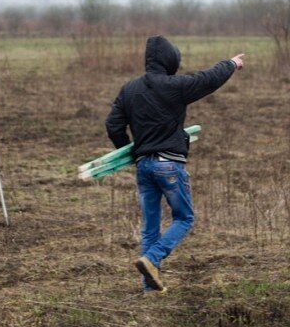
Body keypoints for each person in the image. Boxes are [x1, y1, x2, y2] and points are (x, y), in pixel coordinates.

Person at [105, 35, 244, 292]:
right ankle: (152, 258)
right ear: (171, 60)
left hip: (144, 166)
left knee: (150, 228)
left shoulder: (129, 89)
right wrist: (231, 64)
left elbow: (113, 125)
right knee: (184, 218)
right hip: (169, 164)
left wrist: (131, 152)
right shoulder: (174, 86)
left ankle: (149, 288)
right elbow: (208, 79)